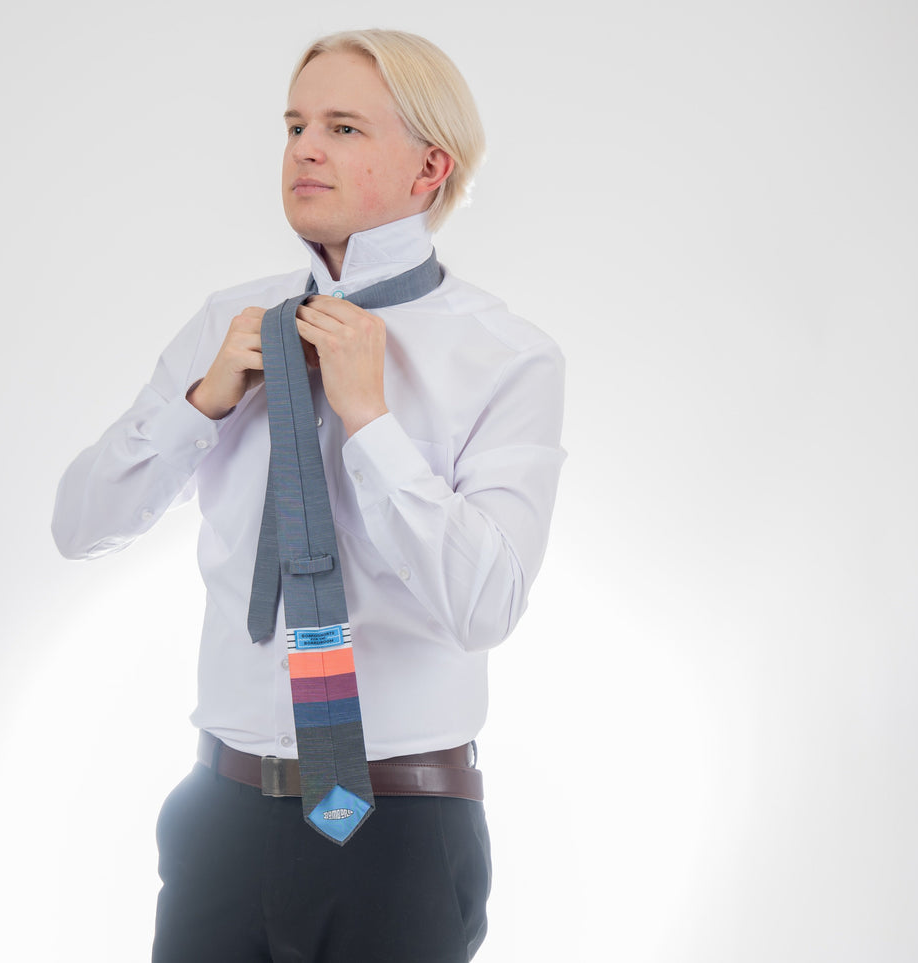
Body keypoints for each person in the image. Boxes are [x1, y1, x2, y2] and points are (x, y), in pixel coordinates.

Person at [52, 29, 565, 963]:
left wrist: (370, 423)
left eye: (342, 127)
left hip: (398, 833)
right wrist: (201, 404)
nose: (304, 150)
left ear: (429, 167)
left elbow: (486, 604)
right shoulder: (228, 323)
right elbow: (80, 525)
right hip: (218, 818)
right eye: (294, 126)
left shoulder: (507, 356)